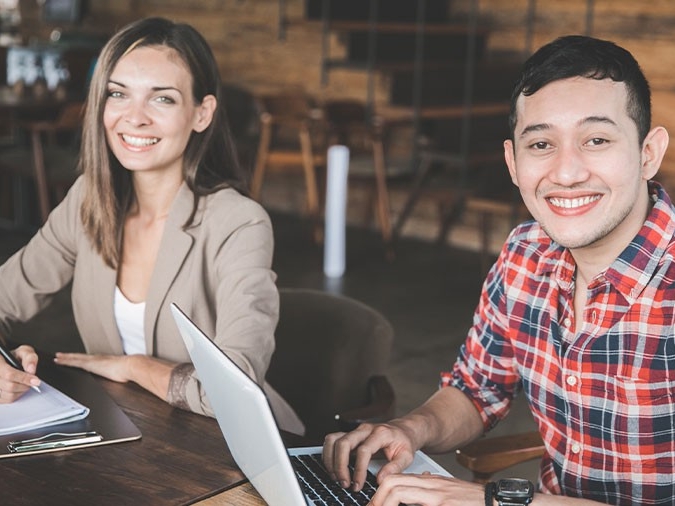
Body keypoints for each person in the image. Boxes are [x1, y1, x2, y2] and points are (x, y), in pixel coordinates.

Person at [323, 34, 674, 505]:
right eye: (542, 144)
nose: (566, 173)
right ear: (513, 162)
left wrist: (491, 500)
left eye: (596, 140)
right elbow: (477, 390)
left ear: (648, 153)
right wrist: (410, 428)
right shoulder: (525, 254)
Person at [0, 17, 303, 435]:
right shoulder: (89, 200)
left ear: (202, 114)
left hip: (229, 446)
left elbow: (236, 391)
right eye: (118, 93)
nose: (134, 117)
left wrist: (133, 367)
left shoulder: (239, 223)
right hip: (128, 439)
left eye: (162, 99)